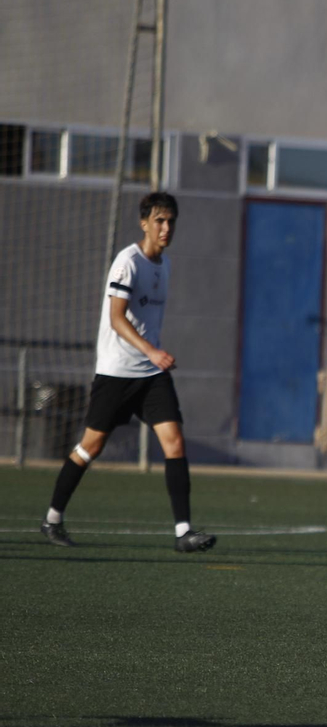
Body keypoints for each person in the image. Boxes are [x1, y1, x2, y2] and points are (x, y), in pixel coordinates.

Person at [39, 191, 215, 553]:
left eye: (171, 221)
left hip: (151, 375)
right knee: (90, 447)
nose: (166, 228)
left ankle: (183, 533)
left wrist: (152, 357)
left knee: (174, 441)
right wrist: (152, 350)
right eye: (159, 221)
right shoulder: (127, 262)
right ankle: (52, 519)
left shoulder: (165, 265)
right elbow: (116, 319)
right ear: (144, 223)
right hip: (116, 372)